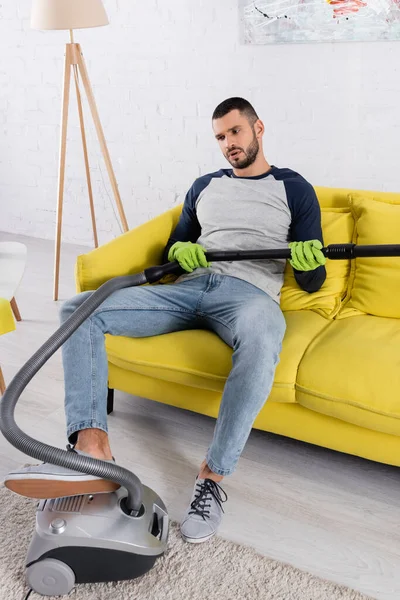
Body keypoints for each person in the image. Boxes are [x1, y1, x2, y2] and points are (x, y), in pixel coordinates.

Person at [5, 97, 326, 544]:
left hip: (248, 296)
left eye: (235, 132)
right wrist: (179, 252)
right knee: (76, 309)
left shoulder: (294, 188)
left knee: (262, 339)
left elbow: (313, 281)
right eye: (220, 137)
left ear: (258, 129)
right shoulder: (204, 186)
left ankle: (212, 478)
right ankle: (92, 449)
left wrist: (309, 263)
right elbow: (173, 252)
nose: (228, 144)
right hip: (189, 289)